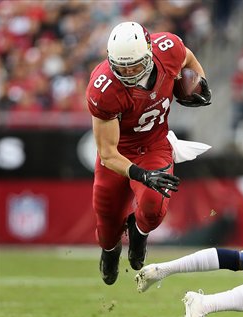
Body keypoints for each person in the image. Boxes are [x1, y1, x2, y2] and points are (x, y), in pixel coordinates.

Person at [85, 21, 211, 285]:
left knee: (154, 207)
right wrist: (141, 174)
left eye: (134, 64)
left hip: (154, 144)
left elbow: (187, 57)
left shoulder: (169, 48)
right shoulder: (103, 88)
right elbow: (107, 153)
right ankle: (110, 252)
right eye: (122, 66)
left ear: (150, 51)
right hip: (119, 154)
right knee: (107, 226)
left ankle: (139, 233)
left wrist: (199, 80)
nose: (129, 71)